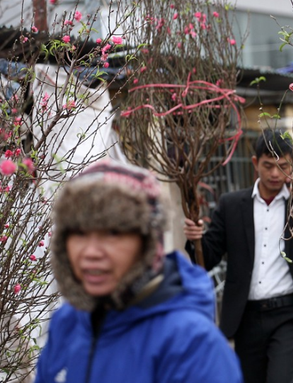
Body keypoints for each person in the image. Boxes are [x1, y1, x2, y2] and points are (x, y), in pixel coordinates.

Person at [35, 159, 242, 383]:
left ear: (149, 243)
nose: (91, 252)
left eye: (113, 233)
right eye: (78, 233)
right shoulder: (66, 324)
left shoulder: (193, 345)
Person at [184, 129, 293, 383]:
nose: (275, 174)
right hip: (246, 316)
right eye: (268, 166)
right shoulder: (231, 205)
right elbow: (206, 259)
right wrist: (194, 238)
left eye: (283, 166)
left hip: (289, 314)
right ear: (255, 164)